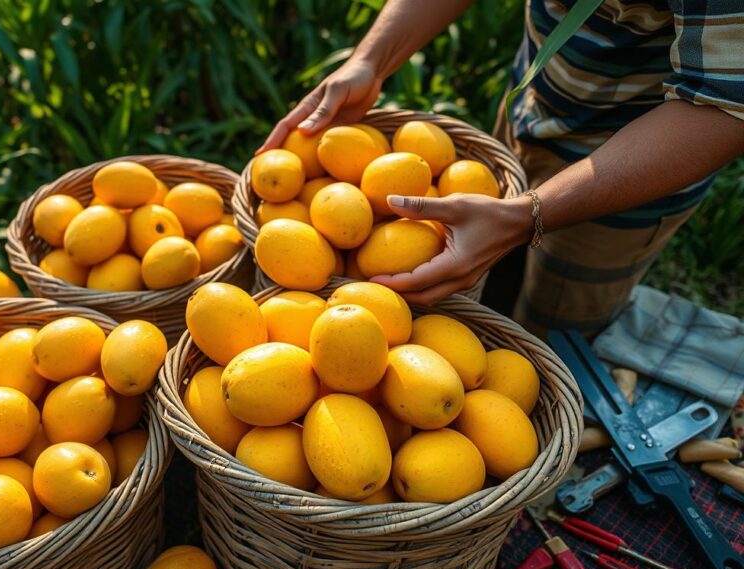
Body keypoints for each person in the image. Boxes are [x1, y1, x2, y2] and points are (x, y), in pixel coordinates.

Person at [260, 0, 744, 338]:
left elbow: (724, 105)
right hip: (533, 110)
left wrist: (527, 215)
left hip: (628, 173)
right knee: (482, 287)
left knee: (555, 331)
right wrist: (371, 60)